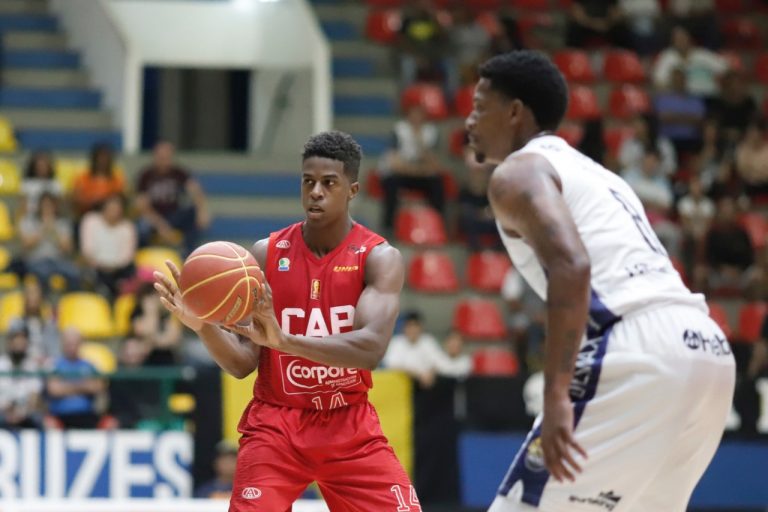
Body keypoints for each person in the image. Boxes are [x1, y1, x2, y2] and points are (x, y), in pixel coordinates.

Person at [465, 51, 734, 512]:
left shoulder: (517, 172)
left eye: (479, 107)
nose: (469, 121)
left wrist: (555, 395)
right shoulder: (596, 173)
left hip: (637, 347)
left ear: (514, 112)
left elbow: (572, 267)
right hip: (706, 348)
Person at [154, 131, 420, 511]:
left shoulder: (377, 257)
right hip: (276, 424)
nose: (316, 192)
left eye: (329, 183)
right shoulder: (267, 253)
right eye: (308, 181)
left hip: (348, 423)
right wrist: (202, 324)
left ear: (352, 190)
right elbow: (243, 364)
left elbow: (370, 349)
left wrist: (284, 341)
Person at [136, 141, 210, 255]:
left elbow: (196, 191)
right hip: (153, 216)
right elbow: (142, 206)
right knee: (142, 227)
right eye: (161, 157)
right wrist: (160, 225)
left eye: (167, 157)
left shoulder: (179, 173)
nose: (164, 160)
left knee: (193, 214)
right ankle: (144, 256)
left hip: (173, 215)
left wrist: (202, 211)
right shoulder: (146, 176)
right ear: (154, 156)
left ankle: (188, 254)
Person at [380, 104, 445, 233]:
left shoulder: (431, 132)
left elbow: (435, 165)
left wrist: (420, 142)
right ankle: (388, 227)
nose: (417, 118)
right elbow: (395, 164)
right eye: (414, 114)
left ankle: (437, 226)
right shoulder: (399, 130)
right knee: (391, 183)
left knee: (437, 183)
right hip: (401, 175)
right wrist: (419, 169)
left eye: (420, 114)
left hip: (420, 175)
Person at [46, 327, 106, 429]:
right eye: (68, 343)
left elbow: (97, 386)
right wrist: (83, 385)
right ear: (63, 344)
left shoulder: (89, 365)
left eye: (75, 343)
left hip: (86, 415)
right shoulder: (54, 365)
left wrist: (66, 386)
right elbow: (54, 390)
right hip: (60, 416)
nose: (72, 347)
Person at [80, 194, 137, 299]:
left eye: (117, 208)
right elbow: (87, 250)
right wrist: (100, 265)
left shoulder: (127, 227)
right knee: (86, 274)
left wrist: (112, 267)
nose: (113, 211)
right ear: (103, 207)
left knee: (131, 271)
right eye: (111, 207)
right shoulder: (91, 220)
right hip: (96, 268)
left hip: (119, 270)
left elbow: (127, 256)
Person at [0, 324, 44, 429]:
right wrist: (7, 411)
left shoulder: (32, 366)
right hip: (3, 413)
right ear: (9, 341)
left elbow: (34, 397)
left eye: (23, 337)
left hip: (25, 415)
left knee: (39, 419)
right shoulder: (1, 364)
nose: (20, 342)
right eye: (16, 337)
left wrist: (22, 412)